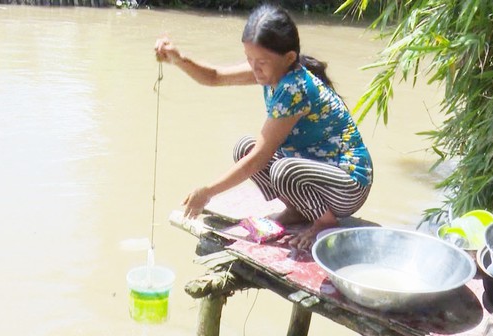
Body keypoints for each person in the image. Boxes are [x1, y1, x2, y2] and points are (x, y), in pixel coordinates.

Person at [154, 3, 373, 249]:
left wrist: (208, 192)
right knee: (244, 148)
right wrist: (179, 59)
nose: (254, 68)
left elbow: (261, 157)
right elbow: (215, 76)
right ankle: (298, 209)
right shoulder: (273, 71)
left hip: (348, 185)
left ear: (289, 58)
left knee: (282, 169)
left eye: (261, 61)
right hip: (317, 175)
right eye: (250, 59)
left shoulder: (294, 88)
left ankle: (324, 222)